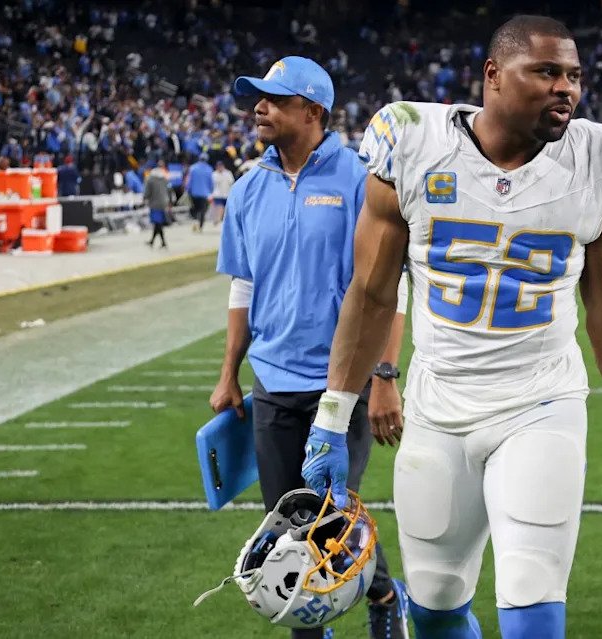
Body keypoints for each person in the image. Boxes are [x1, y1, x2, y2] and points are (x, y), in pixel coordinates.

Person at [300, 16, 602, 639]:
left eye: (574, 75)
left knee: (531, 596)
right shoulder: (413, 143)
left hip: (540, 404)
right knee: (436, 606)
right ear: (493, 76)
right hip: (437, 407)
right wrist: (333, 417)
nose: (566, 89)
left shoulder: (598, 160)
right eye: (547, 72)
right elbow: (370, 295)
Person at [209, 56, 410, 639]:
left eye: (273, 98)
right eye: (257, 98)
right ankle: (327, 620)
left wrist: (385, 376)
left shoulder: (360, 178)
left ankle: (383, 593)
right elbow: (242, 287)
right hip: (271, 383)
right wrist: (229, 374)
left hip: (341, 385)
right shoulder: (247, 189)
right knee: (289, 535)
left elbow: (387, 290)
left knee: (331, 524)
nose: (258, 107)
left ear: (313, 111)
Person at [144, 159, 172, 248]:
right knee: (158, 223)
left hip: (155, 203)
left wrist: (145, 199)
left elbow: (147, 193)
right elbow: (169, 190)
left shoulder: (150, 179)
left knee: (157, 223)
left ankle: (162, 242)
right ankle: (154, 241)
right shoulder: (164, 178)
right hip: (164, 202)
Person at [187, 153, 214, 231]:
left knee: (195, 209)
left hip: (194, 193)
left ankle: (195, 222)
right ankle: (200, 226)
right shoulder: (209, 169)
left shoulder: (193, 168)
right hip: (205, 193)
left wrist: (188, 190)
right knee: (202, 210)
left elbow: (189, 181)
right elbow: (211, 183)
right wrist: (211, 191)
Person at [210, 160, 235, 225]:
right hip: (217, 194)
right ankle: (217, 219)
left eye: (221, 166)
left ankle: (221, 219)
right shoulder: (214, 174)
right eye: (218, 166)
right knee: (219, 207)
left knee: (225, 209)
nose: (219, 167)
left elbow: (232, 182)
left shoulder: (228, 173)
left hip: (226, 194)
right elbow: (212, 184)